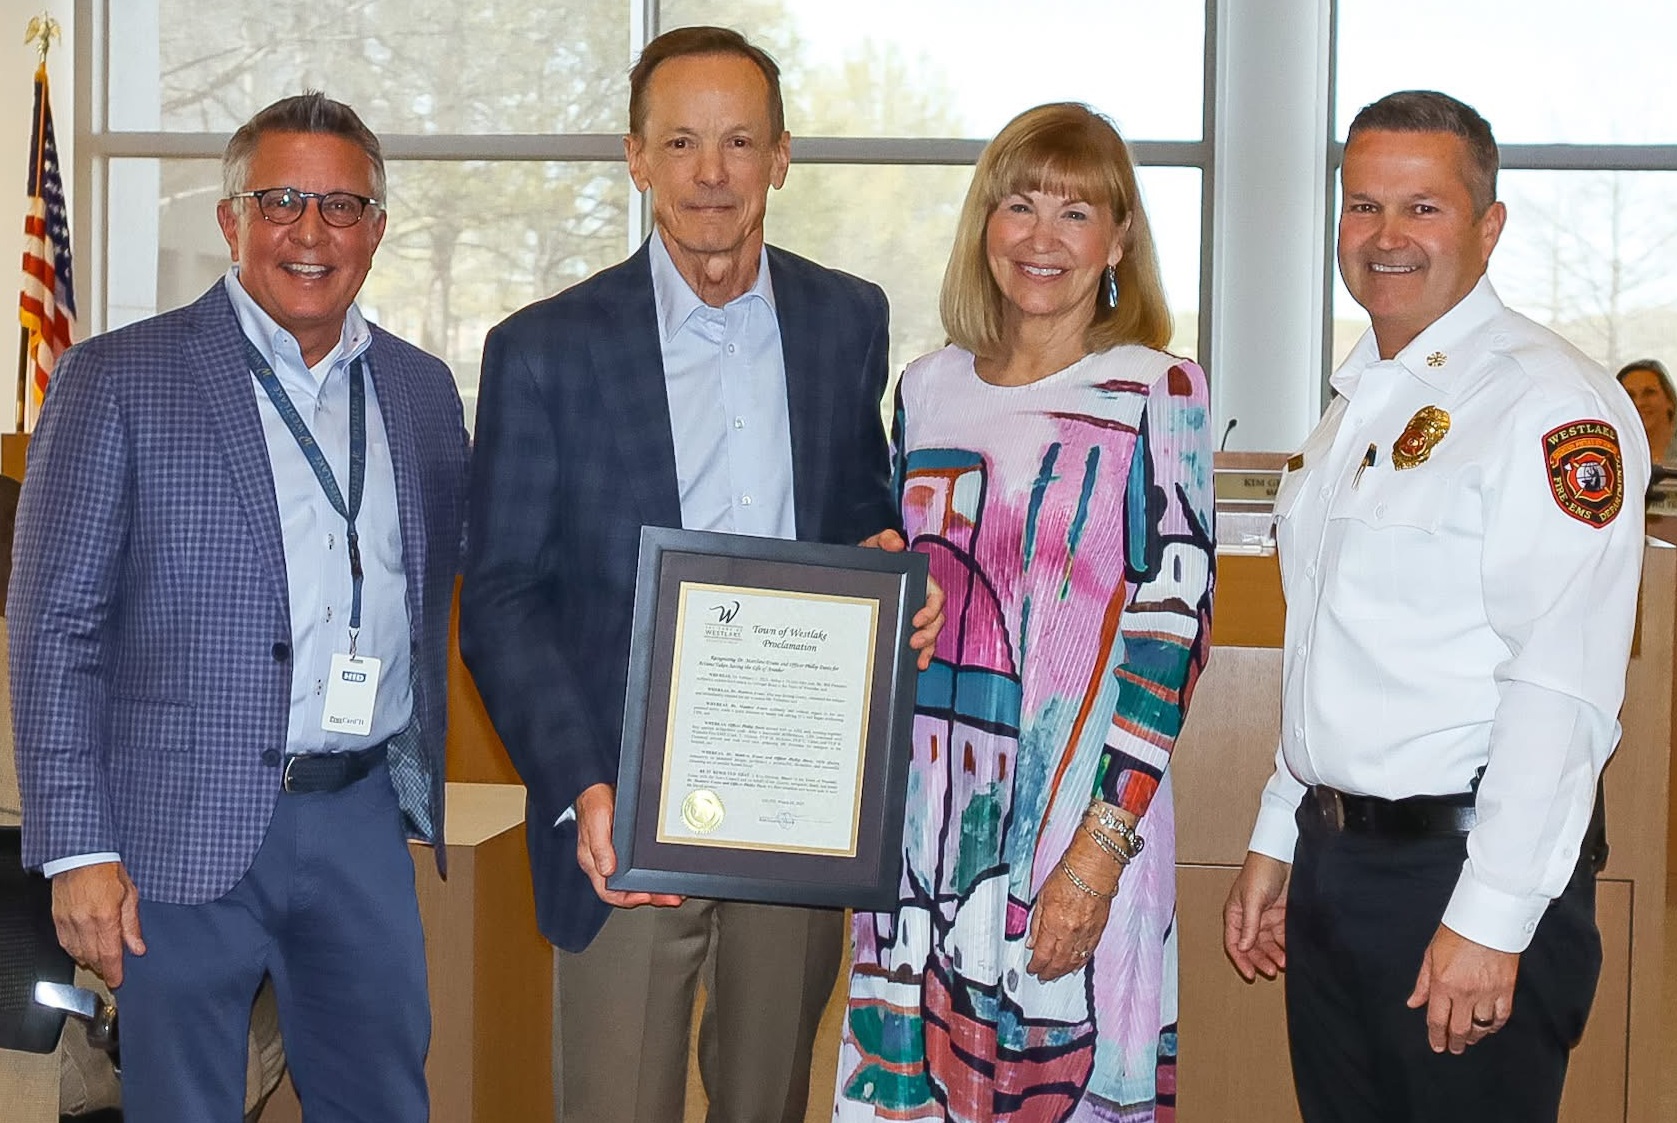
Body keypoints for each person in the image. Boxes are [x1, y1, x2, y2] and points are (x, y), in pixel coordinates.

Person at [459, 26, 942, 1123]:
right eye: (681, 142)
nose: (710, 174)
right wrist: (586, 787)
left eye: (738, 141)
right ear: (636, 158)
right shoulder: (544, 349)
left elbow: (857, 501)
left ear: (782, 156)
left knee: (767, 1101)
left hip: (796, 805)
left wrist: (885, 569)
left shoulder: (845, 320)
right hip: (623, 822)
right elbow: (500, 596)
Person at [9, 91, 469, 1122]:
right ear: (232, 219)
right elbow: (54, 632)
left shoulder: (422, 393)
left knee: (382, 1099)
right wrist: (79, 850)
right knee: (184, 1105)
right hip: (175, 828)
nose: (312, 232)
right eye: (282, 200)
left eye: (343, 206)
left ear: (378, 231)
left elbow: (465, 575)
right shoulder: (116, 380)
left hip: (359, 817)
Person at [1222, 90, 1647, 1123]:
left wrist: (1494, 919)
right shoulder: (1361, 405)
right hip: (1338, 872)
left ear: (1489, 225)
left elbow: (1562, 686)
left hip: (1458, 877)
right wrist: (1282, 834)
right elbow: (1329, 647)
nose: (1384, 236)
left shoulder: (1547, 406)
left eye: (1422, 208)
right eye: (1362, 206)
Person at [833, 102, 1214, 1123]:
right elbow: (924, 583)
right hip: (923, 829)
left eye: (1077, 211)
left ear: (1119, 240)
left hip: (1081, 828)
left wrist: (1097, 851)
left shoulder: (1156, 390)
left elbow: (1177, 630)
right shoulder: (926, 387)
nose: (1042, 237)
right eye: (1019, 204)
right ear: (984, 223)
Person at [1615, 358, 1676, 465]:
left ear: (1670, 400)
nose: (1639, 403)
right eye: (1630, 395)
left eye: (1649, 392)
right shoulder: (1612, 458)